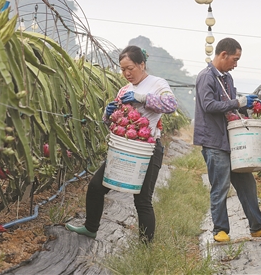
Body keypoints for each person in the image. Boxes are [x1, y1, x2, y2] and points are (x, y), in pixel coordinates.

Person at [66, 45, 177, 242]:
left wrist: (142, 98)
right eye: (123, 69)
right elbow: (115, 120)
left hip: (147, 149)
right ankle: (91, 228)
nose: (126, 73)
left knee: (142, 200)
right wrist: (107, 114)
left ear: (142, 64)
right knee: (96, 187)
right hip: (124, 148)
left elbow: (170, 105)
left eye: (130, 68)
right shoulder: (124, 89)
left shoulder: (157, 83)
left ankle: (145, 248)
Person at [193, 37, 261, 242]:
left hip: (233, 140)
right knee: (220, 185)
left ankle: (258, 226)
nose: (236, 64)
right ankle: (220, 230)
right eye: (235, 59)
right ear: (223, 55)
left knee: (247, 184)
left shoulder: (227, 79)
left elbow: (230, 106)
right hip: (214, 141)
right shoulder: (206, 77)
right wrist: (238, 100)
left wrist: (247, 105)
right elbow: (208, 105)